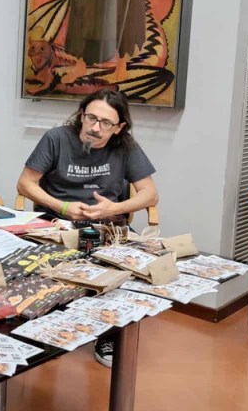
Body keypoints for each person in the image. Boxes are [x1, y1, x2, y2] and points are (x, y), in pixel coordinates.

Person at [16, 87, 158, 368]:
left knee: (127, 269)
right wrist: (63, 207)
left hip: (106, 228)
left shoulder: (125, 147)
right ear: (81, 114)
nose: (95, 128)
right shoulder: (56, 138)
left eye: (105, 123)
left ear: (119, 128)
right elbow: (25, 184)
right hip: (57, 226)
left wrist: (113, 209)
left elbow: (150, 194)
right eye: (90, 118)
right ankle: (43, 329)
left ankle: (109, 334)